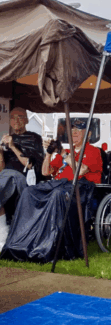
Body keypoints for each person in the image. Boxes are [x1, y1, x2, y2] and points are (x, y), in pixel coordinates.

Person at [1, 119, 103, 262]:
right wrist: (49, 154)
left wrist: (62, 153)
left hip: (81, 188)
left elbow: (82, 170)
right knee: (29, 192)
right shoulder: (67, 152)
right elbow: (45, 172)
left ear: (89, 134)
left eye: (78, 130)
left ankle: (49, 246)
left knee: (56, 195)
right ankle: (20, 242)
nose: (74, 133)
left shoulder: (93, 151)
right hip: (59, 184)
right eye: (72, 130)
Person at [0, 108, 44, 251]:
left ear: (26, 120)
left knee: (9, 176)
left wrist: (12, 146)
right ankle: (3, 233)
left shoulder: (33, 138)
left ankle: (3, 236)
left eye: (20, 117)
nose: (16, 120)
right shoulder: (6, 138)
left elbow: (30, 165)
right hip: (6, 177)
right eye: (13, 117)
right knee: (5, 177)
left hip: (23, 178)